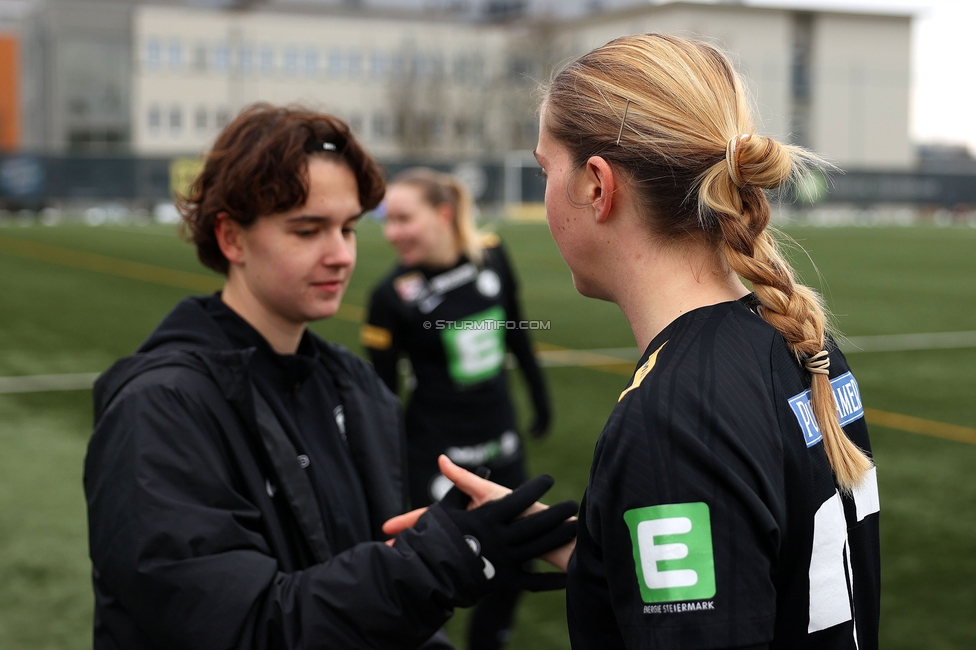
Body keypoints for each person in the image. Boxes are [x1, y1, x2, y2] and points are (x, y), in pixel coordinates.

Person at [82, 104, 577, 650]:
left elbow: (375, 617)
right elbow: (240, 628)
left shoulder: (359, 390)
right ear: (231, 239)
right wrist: (440, 559)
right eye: (308, 229)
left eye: (347, 228)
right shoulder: (160, 407)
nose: (341, 255)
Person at [529, 33, 882, 649]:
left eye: (544, 170)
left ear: (595, 184)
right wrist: (574, 543)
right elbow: (755, 570)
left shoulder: (675, 415)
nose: (544, 193)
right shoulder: (801, 342)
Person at [361, 167, 552, 650]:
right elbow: (383, 397)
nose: (392, 233)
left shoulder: (491, 254)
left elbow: (516, 331)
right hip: (435, 452)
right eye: (388, 220)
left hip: (501, 437)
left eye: (404, 218)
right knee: (433, 565)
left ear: (443, 214)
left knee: (518, 556)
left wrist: (539, 395)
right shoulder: (389, 298)